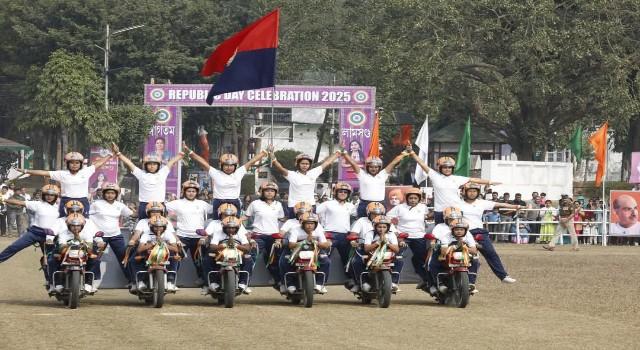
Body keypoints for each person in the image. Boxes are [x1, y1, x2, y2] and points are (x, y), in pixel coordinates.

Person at [408, 150, 499, 224]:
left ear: (452, 169)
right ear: (440, 168)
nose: (447, 169)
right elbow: (422, 165)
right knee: (440, 233)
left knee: (457, 232)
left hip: (456, 209)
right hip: (439, 210)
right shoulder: (435, 176)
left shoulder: (458, 178)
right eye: (445, 167)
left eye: (449, 167)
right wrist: (412, 152)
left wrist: (490, 182)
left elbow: (474, 179)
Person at [184, 143, 268, 219]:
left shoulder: (239, 172)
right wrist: (189, 151)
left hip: (234, 202)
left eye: (231, 166)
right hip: (218, 202)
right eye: (226, 165)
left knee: (234, 225)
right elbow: (203, 163)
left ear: (235, 166)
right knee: (217, 225)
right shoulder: (216, 173)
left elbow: (251, 162)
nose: (229, 168)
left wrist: (264, 152)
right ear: (221, 165)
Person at [18, 152, 113, 217]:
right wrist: (26, 171)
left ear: (80, 164)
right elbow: (43, 173)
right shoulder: (61, 174)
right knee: (63, 222)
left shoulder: (86, 171)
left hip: (83, 201)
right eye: (71, 163)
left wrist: (110, 154)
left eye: (77, 163)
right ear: (67, 164)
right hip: (65, 201)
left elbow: (99, 163)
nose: (74, 165)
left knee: (84, 221)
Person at [0, 184, 61, 286]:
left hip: (50, 236)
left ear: (56, 196)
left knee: (50, 259)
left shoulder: (60, 207)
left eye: (52, 195)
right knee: (14, 247)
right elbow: (20, 202)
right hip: (34, 233)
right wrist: (5, 200)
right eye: (47, 194)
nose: (49, 196)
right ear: (44, 195)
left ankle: (50, 281)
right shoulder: (38, 204)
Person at [458, 182, 519, 283]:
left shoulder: (481, 202)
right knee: (466, 257)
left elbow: (499, 204)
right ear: (465, 192)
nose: (472, 193)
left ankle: (503, 276)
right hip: (465, 232)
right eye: (470, 191)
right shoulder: (458, 203)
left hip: (480, 233)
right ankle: (467, 283)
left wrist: (515, 206)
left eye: (474, 191)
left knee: (491, 253)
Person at [111, 142, 184, 219]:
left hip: (159, 205)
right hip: (144, 205)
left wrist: (182, 153)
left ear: (158, 165)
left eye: (154, 164)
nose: (152, 166)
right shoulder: (141, 174)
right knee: (143, 227)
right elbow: (129, 163)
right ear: (145, 165)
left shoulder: (162, 172)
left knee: (159, 227)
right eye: (149, 164)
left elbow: (172, 162)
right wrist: (118, 153)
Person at [165, 180, 214, 287]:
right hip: (182, 236)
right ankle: (170, 281)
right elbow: (162, 206)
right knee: (175, 258)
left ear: (196, 192)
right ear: (184, 191)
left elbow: (216, 211)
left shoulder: (202, 204)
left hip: (199, 238)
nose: (191, 193)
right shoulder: (177, 203)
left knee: (201, 261)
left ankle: (205, 283)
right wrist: (168, 220)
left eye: (193, 191)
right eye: (188, 191)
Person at [269, 147, 341, 218]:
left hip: (310, 205)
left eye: (307, 164)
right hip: (294, 206)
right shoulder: (292, 174)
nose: (305, 165)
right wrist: (272, 155)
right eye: (302, 163)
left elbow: (327, 163)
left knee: (310, 227)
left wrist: (337, 153)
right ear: (298, 164)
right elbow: (280, 168)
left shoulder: (313, 172)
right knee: (294, 226)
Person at [347, 202, 401, 292]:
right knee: (356, 261)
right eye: (374, 214)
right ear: (368, 213)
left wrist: (400, 241)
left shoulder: (386, 223)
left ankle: (393, 282)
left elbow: (395, 236)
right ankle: (361, 283)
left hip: (386, 250)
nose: (377, 215)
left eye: (379, 214)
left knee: (399, 260)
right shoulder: (361, 221)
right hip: (364, 247)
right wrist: (353, 241)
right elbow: (353, 234)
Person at [241, 182, 285, 288]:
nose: (269, 193)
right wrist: (236, 221)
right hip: (258, 235)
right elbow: (245, 217)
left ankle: (278, 281)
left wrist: (281, 236)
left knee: (275, 259)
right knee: (251, 257)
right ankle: (243, 282)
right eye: (267, 191)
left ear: (275, 193)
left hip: (274, 236)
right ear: (262, 192)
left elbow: (282, 220)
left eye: (272, 191)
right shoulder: (255, 203)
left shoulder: (278, 205)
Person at [342, 149, 408, 218]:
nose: (373, 169)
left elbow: (393, 163)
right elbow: (353, 163)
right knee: (363, 225)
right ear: (367, 167)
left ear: (379, 168)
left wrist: (404, 153)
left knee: (379, 226)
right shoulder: (362, 174)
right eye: (371, 167)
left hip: (380, 204)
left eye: (376, 167)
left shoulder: (383, 174)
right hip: (364, 205)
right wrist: (344, 152)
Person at [48, 213, 104, 294]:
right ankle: (55, 284)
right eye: (73, 225)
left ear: (82, 226)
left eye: (78, 225)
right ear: (68, 225)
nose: (76, 228)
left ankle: (89, 283)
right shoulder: (63, 233)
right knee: (51, 260)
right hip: (65, 252)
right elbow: (61, 248)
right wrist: (68, 245)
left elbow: (89, 249)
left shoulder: (87, 233)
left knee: (95, 260)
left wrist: (79, 238)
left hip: (83, 253)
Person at [88, 183, 133, 283]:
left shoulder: (120, 205)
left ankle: (132, 281)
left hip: (116, 235)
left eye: (113, 193)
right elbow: (88, 218)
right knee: (94, 258)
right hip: (100, 236)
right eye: (108, 193)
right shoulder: (96, 204)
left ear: (117, 194)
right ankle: (91, 282)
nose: (110, 195)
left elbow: (132, 214)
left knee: (124, 257)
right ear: (103, 193)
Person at [386, 187, 430, 289]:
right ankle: (392, 282)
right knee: (397, 256)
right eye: (411, 198)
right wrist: (396, 233)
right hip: (403, 237)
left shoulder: (423, 207)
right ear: (407, 198)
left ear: (419, 199)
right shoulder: (400, 207)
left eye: (415, 198)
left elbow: (427, 217)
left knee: (420, 259)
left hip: (419, 236)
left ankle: (425, 280)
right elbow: (387, 219)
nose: (413, 200)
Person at [281, 213, 331, 294]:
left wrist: (316, 243)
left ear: (315, 224)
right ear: (303, 224)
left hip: (315, 250)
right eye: (307, 223)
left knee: (326, 261)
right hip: (297, 250)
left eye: (312, 224)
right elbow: (291, 245)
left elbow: (325, 245)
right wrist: (305, 242)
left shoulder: (318, 230)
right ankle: (290, 284)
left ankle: (320, 284)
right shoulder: (296, 230)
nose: (310, 226)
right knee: (285, 261)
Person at [428, 219, 479, 295]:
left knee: (475, 260)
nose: (459, 231)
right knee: (433, 263)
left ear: (465, 230)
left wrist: (464, 248)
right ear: (452, 230)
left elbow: (474, 251)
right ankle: (439, 283)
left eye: (461, 229)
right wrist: (456, 246)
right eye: (457, 229)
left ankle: (471, 283)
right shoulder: (446, 236)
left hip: (462, 254)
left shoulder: (468, 235)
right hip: (446, 254)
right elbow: (443, 251)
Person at [205, 216, 253, 293]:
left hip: (237, 253)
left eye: (233, 228)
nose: (231, 229)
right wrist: (223, 245)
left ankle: (243, 283)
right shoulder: (218, 232)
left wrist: (237, 245)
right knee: (208, 258)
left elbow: (247, 248)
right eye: (228, 228)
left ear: (237, 228)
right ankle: (213, 282)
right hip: (221, 254)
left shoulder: (240, 233)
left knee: (248, 258)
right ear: (224, 228)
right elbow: (212, 247)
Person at [132, 216, 179, 291]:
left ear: (164, 227)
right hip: (149, 254)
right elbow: (139, 249)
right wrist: (153, 243)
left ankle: (170, 281)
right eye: (155, 227)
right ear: (151, 227)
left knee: (175, 257)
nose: (158, 229)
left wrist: (164, 244)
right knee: (135, 259)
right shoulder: (146, 234)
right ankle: (140, 281)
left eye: (161, 227)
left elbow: (176, 249)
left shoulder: (168, 234)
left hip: (164, 254)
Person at [316, 182, 356, 270]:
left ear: (348, 194)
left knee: (348, 260)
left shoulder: (351, 206)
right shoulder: (327, 203)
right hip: (329, 235)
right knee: (324, 258)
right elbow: (314, 213)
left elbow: (357, 218)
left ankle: (351, 280)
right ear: (336, 192)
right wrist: (320, 229)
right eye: (340, 191)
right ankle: (319, 281)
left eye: (345, 192)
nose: (343, 193)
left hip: (345, 236)